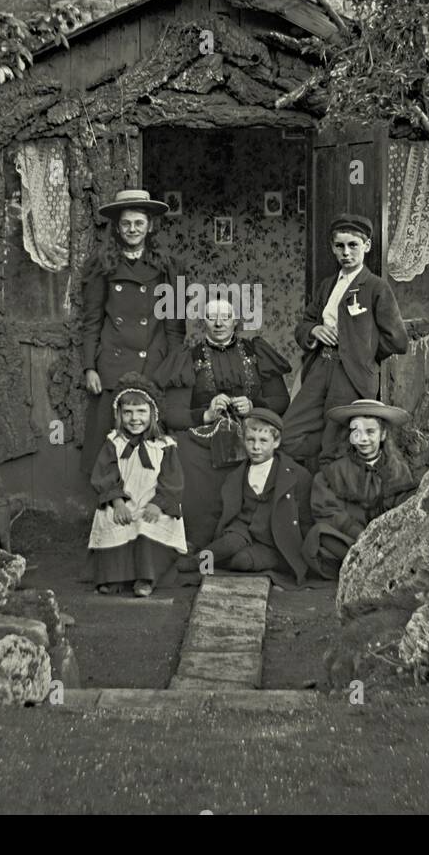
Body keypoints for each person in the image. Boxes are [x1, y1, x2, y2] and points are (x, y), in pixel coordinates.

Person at [153, 296, 292, 551]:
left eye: (225, 317)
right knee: (182, 452)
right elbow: (171, 414)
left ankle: (259, 536)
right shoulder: (189, 358)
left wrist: (254, 405)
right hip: (207, 433)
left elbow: (282, 400)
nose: (218, 323)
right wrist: (205, 415)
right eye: (211, 317)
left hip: (253, 429)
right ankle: (199, 538)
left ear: (236, 320)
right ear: (202, 321)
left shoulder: (256, 353)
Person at [282, 213, 409, 470]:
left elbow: (397, 340)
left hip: (350, 375)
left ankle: (332, 498)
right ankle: (320, 476)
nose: (346, 252)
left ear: (367, 246)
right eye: (339, 246)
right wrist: (315, 330)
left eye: (353, 245)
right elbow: (303, 325)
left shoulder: (375, 287)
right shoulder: (328, 285)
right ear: (332, 248)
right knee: (288, 435)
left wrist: (362, 352)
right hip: (319, 368)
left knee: (337, 443)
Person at [79, 189, 185, 477]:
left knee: (152, 447)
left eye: (139, 223)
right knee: (110, 446)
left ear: (150, 225)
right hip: (114, 367)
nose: (132, 229)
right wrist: (90, 367)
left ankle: (151, 511)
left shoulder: (168, 266)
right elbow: (91, 321)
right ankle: (109, 509)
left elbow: (175, 323)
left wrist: (171, 366)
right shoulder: (102, 265)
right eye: (126, 224)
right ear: (117, 227)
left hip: (153, 365)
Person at [180, 408, 313, 582]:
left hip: (272, 538)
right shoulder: (238, 474)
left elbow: (304, 518)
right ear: (243, 440)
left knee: (242, 561)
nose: (256, 447)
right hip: (242, 529)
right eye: (250, 440)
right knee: (229, 543)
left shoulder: (296, 475)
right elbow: (221, 510)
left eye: (263, 441)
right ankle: (198, 563)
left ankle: (224, 561)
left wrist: (298, 554)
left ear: (276, 442)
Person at [87, 374, 187, 597]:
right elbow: (105, 473)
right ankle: (114, 577)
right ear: (119, 415)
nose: (135, 419)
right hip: (123, 499)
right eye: (128, 413)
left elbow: (172, 481)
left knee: (147, 526)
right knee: (111, 520)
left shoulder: (164, 446)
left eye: (141, 412)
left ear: (152, 414)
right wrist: (117, 501)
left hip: (153, 502)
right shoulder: (114, 442)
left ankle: (146, 578)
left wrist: (158, 504)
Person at [304, 399, 416, 579]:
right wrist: (358, 534)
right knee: (319, 535)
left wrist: (383, 536)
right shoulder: (336, 470)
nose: (363, 439)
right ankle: (368, 565)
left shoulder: (398, 469)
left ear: (383, 435)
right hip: (350, 540)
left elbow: (404, 507)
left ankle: (371, 565)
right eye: (357, 432)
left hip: (386, 541)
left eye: (370, 432)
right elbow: (327, 510)